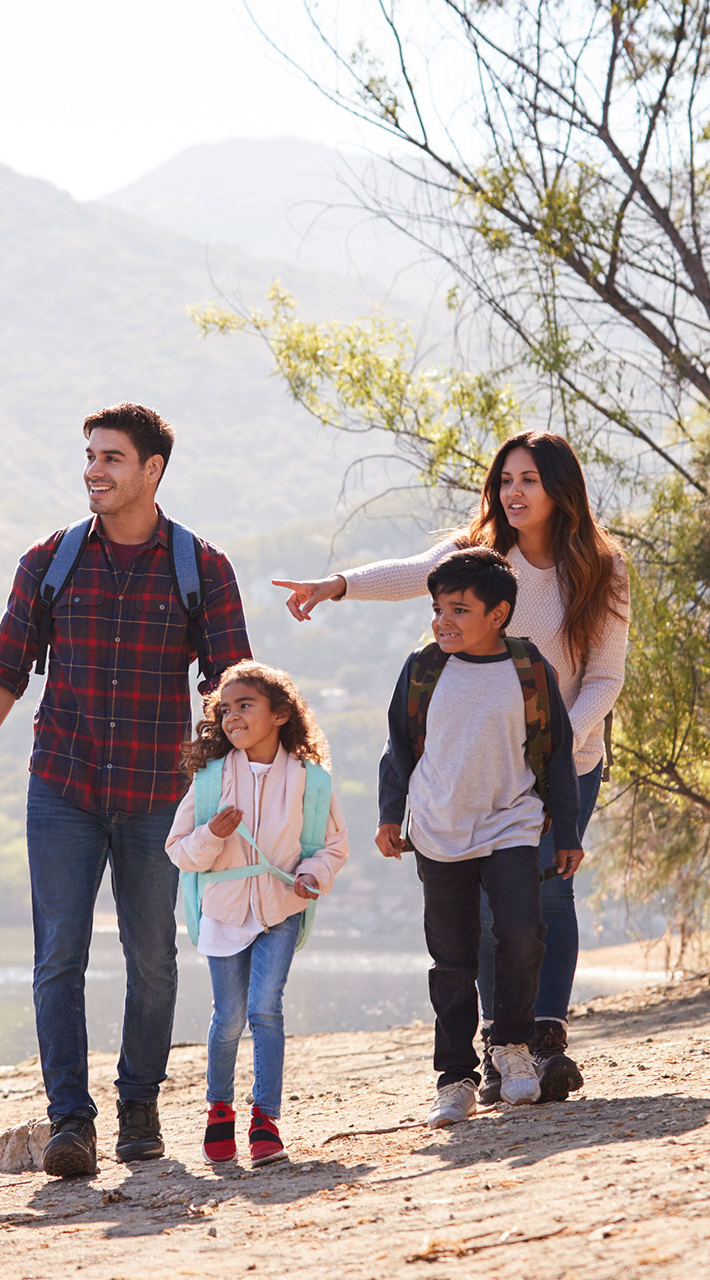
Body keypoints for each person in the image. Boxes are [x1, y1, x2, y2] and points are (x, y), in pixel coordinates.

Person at [0, 403, 252, 1178]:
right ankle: (69, 1123)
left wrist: (241, 782)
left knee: (152, 958)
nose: (94, 470)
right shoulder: (51, 561)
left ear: (151, 470)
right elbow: (5, 669)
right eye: (89, 456)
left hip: (158, 794)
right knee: (58, 957)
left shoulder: (201, 569)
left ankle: (139, 1110)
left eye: (111, 457)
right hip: (63, 788)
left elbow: (231, 687)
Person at [274, 430, 627, 1104]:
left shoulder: (601, 569)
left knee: (548, 893)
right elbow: (412, 573)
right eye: (505, 480)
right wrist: (337, 585)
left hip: (566, 759)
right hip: (475, 766)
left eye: (528, 480)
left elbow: (605, 678)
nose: (513, 492)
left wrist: (551, 746)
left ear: (561, 489)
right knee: (493, 908)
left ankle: (543, 1042)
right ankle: (500, 1047)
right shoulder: (480, 553)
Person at [376, 547, 582, 1126]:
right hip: (440, 828)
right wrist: (390, 815)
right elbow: (398, 747)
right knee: (452, 957)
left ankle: (512, 1047)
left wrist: (565, 830)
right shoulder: (423, 669)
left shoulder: (529, 669)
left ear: (499, 614)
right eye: (438, 609)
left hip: (511, 821)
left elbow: (560, 755)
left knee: (522, 932)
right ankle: (455, 1077)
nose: (443, 621)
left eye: (459, 610)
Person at [164, 660, 350, 1167]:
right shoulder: (210, 779)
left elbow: (334, 845)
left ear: (281, 714)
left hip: (282, 907)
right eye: (225, 709)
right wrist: (213, 836)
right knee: (227, 1018)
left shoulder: (311, 781)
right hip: (223, 912)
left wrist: (313, 875)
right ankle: (219, 1110)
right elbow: (179, 851)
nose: (232, 717)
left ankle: (265, 1119)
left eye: (245, 705)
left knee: (265, 1009)